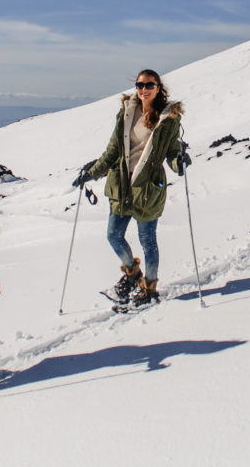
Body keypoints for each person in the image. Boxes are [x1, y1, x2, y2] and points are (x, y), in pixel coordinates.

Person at [72, 70, 188, 309]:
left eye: (149, 85)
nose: (143, 89)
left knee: (148, 241)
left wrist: (180, 162)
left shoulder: (169, 118)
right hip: (122, 185)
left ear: (158, 87)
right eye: (140, 84)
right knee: (113, 235)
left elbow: (172, 152)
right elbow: (113, 151)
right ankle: (134, 275)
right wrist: (91, 172)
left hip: (147, 188)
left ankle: (150, 288)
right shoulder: (126, 112)